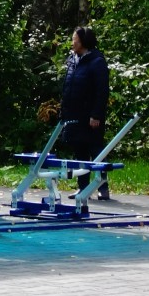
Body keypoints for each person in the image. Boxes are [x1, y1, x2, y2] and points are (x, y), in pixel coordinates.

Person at [58, 26, 111, 200]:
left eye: (75, 39)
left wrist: (96, 114)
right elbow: (68, 86)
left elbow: (102, 91)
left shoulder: (97, 61)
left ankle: (102, 187)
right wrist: (64, 111)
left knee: (96, 151)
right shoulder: (72, 60)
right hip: (74, 114)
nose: (72, 42)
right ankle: (83, 188)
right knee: (79, 151)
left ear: (83, 41)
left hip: (90, 116)